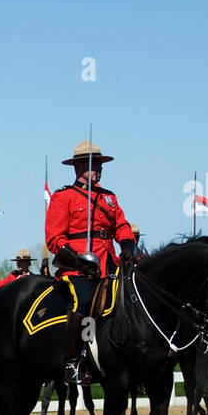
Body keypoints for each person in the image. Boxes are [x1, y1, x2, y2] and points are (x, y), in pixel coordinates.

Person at [44, 140, 137, 384]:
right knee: (85, 301)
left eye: (99, 164)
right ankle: (74, 361)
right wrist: (77, 262)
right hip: (77, 269)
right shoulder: (63, 197)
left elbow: (122, 226)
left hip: (109, 264)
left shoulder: (109, 198)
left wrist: (127, 245)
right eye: (91, 164)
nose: (98, 168)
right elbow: (54, 238)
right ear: (77, 167)